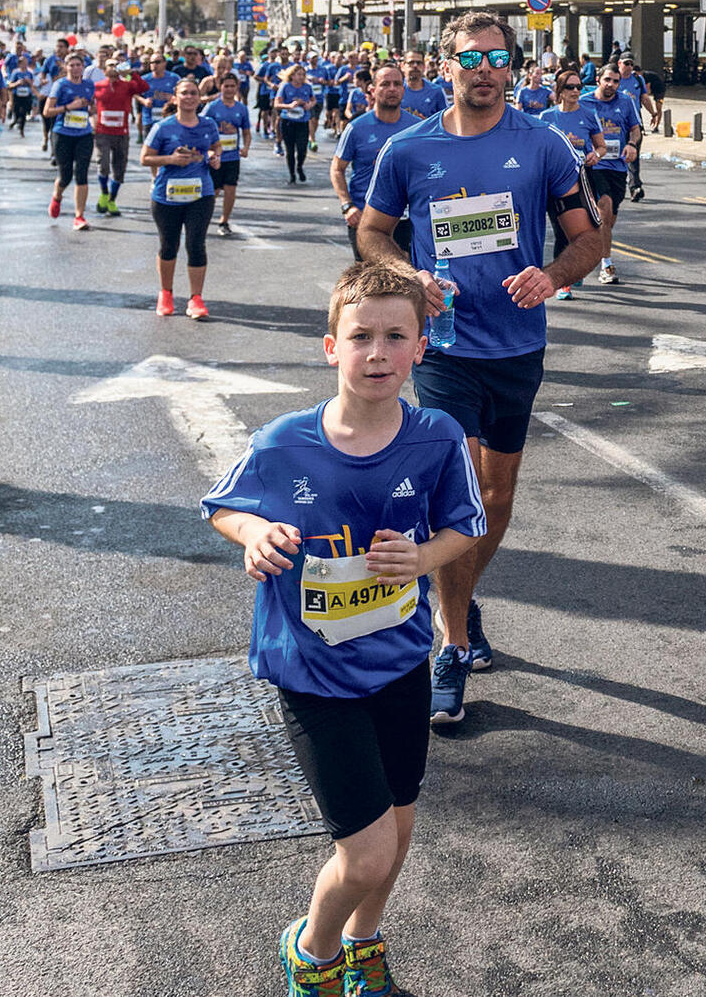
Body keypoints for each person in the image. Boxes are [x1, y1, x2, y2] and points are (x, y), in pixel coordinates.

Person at [201, 262, 484, 997]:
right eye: (361, 337)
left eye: (397, 336)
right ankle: (313, 950)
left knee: (400, 828)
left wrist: (422, 556)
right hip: (313, 674)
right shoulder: (283, 442)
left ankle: (363, 941)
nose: (379, 353)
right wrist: (254, 533)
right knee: (363, 854)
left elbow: (465, 527)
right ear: (332, 347)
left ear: (422, 346)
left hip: (398, 667)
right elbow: (223, 506)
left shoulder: (436, 437)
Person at [358, 11, 602, 725]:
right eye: (472, 57)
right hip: (446, 348)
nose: (486, 70)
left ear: (513, 67)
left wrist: (553, 276)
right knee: (459, 489)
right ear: (447, 66)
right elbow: (372, 232)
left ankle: (456, 599)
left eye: (498, 58)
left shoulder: (544, 146)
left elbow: (587, 239)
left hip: (518, 348)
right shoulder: (409, 149)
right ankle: (453, 643)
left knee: (496, 500)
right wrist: (410, 278)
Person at [141, 77, 222, 320]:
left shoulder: (208, 125)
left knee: (196, 244)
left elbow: (216, 147)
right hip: (167, 195)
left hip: (201, 194)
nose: (189, 97)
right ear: (175, 98)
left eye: (193, 93)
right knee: (169, 245)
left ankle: (196, 298)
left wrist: (214, 156)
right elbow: (145, 158)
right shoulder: (163, 127)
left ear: (199, 98)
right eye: (184, 93)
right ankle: (166, 293)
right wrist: (170, 160)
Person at [334, 64, 416, 263]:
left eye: (397, 84)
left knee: (407, 284)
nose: (392, 89)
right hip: (366, 218)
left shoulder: (416, 128)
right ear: (372, 90)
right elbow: (337, 169)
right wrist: (348, 206)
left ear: (404, 90)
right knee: (371, 284)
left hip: (406, 220)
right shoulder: (356, 128)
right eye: (385, 84)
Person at [538, 70, 607, 300]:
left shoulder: (588, 115)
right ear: (560, 90)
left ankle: (573, 270)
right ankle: (564, 281)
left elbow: (601, 146)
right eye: (570, 87)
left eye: (579, 87)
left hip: (582, 180)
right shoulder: (547, 117)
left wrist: (596, 155)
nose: (576, 91)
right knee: (560, 229)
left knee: (583, 228)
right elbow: (539, 150)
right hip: (555, 182)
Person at [580, 63, 644, 285]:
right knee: (604, 207)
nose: (611, 85)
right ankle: (606, 265)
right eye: (607, 80)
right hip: (593, 166)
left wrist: (632, 145)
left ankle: (597, 242)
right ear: (598, 80)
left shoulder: (625, 102)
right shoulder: (584, 102)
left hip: (617, 166)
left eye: (615, 81)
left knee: (609, 217)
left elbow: (635, 129)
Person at [44, 52, 98, 230]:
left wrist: (91, 113)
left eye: (78, 65)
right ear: (65, 67)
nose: (75, 68)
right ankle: (57, 196)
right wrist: (69, 107)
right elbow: (47, 111)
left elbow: (92, 107)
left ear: (83, 67)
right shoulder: (60, 85)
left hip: (83, 134)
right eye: (72, 65)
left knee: (82, 174)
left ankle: (79, 216)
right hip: (63, 134)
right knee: (65, 175)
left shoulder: (89, 85)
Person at [91, 57, 148, 217]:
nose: (114, 68)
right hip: (103, 133)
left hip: (121, 134)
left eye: (117, 65)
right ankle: (103, 193)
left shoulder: (127, 85)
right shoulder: (97, 86)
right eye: (111, 65)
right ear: (104, 69)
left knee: (119, 169)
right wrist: (91, 119)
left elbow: (144, 87)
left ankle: (112, 199)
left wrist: (131, 73)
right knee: (103, 165)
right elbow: (87, 102)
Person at [202, 72, 253, 236]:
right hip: (215, 157)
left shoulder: (241, 109)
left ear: (237, 87)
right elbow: (202, 128)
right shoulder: (212, 107)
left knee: (231, 189)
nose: (229, 89)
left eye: (232, 86)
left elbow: (246, 131)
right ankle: (202, 219)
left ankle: (224, 221)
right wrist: (208, 149)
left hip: (232, 157)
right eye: (226, 86)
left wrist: (246, 148)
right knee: (214, 191)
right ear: (220, 87)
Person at [613, 56, 659, 202]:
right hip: (615, 124)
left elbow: (645, 98)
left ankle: (635, 187)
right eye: (626, 63)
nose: (629, 67)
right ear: (619, 64)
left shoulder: (638, 80)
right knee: (614, 155)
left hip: (634, 123)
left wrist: (653, 113)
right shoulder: (613, 80)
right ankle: (613, 185)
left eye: (632, 64)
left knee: (633, 155)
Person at [275, 64, 319, 184]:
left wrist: (309, 105)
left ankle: (299, 166)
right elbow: (277, 104)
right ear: (292, 75)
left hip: (302, 121)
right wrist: (289, 106)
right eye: (299, 74)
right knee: (290, 149)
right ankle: (292, 174)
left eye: (303, 75)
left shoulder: (307, 87)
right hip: (288, 121)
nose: (301, 77)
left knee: (301, 149)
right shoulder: (285, 87)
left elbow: (313, 99)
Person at [397, 53, 447, 123]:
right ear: (402, 66)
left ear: (424, 67)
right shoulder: (395, 90)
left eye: (419, 63)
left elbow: (445, 120)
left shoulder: (436, 91)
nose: (415, 66)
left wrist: (426, 124)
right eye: (411, 62)